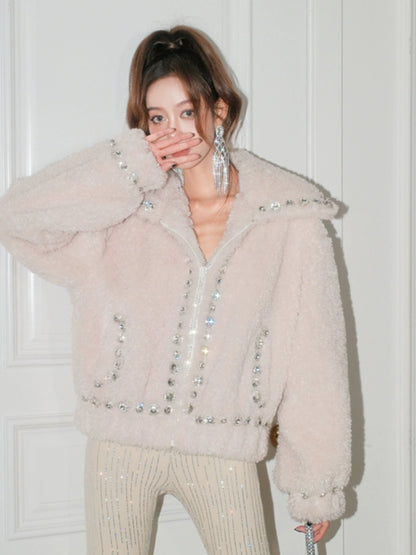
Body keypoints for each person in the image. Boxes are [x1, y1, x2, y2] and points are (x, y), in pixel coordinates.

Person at [0, 25, 351, 555]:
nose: (173, 132)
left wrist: (315, 483)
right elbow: (18, 218)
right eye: (157, 119)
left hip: (223, 447)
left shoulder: (288, 219)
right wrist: (128, 167)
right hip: (119, 446)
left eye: (187, 112)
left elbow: (315, 358)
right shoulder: (124, 212)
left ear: (220, 110)